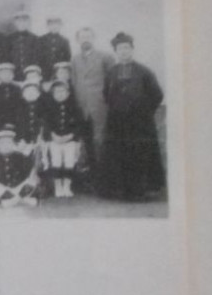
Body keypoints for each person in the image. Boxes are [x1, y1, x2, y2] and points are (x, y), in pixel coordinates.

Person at [101, 32, 166, 200]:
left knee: (138, 155)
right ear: (116, 51)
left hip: (140, 123)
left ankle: (139, 191)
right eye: (120, 48)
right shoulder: (112, 72)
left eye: (127, 48)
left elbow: (157, 95)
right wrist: (118, 109)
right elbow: (106, 95)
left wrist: (143, 112)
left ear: (132, 49)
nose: (124, 51)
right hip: (117, 123)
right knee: (118, 154)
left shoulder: (145, 72)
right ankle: (118, 191)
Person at [71, 26, 114, 166]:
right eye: (82, 38)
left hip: (99, 105)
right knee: (86, 138)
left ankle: (104, 170)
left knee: (100, 139)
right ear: (78, 40)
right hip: (81, 106)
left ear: (93, 38)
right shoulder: (75, 59)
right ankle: (91, 169)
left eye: (88, 37)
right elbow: (74, 81)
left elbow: (112, 82)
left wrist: (107, 101)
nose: (85, 40)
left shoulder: (105, 57)